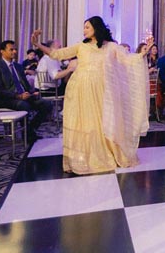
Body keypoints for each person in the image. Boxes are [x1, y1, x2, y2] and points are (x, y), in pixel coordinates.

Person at [31, 16, 152, 175]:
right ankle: (84, 157)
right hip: (80, 89)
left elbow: (127, 60)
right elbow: (57, 54)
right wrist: (38, 45)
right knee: (84, 122)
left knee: (102, 121)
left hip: (101, 90)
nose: (84, 30)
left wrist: (143, 53)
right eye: (84, 27)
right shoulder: (81, 46)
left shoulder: (110, 47)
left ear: (96, 28)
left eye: (87, 27)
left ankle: (104, 153)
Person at [0, 40, 53, 142]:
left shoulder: (18, 66)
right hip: (7, 99)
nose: (14, 51)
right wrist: (18, 96)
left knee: (47, 104)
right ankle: (27, 134)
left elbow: (26, 85)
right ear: (2, 51)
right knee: (24, 105)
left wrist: (32, 92)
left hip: (24, 96)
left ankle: (30, 129)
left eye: (15, 49)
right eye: (11, 49)